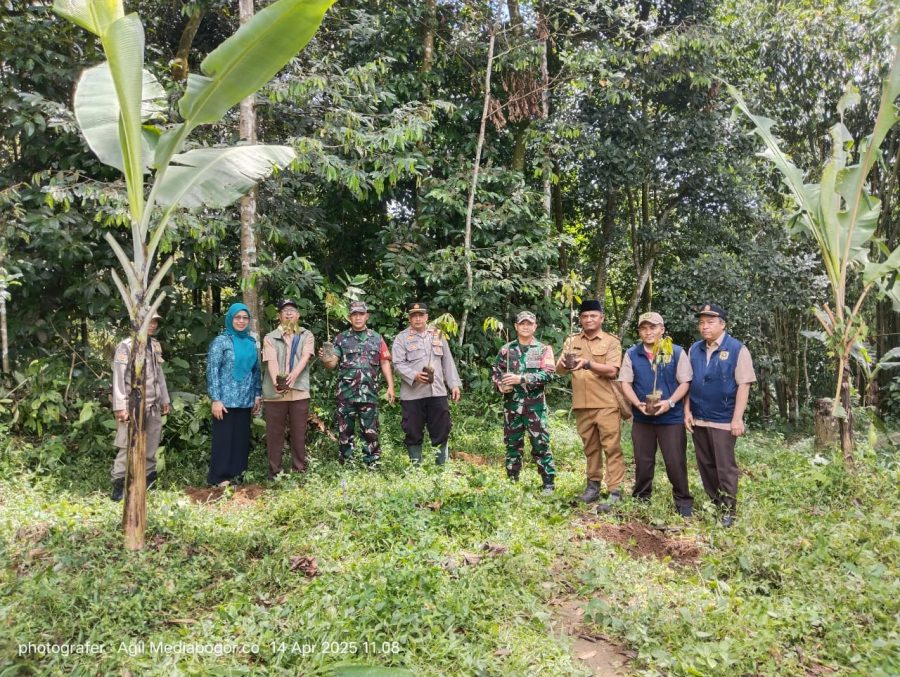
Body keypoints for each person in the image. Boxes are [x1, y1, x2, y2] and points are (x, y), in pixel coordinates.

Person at [684, 303, 756, 527]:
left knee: (724, 465)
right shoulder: (694, 349)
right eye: (701, 323)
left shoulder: (737, 349)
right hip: (699, 416)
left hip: (724, 418)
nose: (704, 327)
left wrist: (737, 419)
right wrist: (686, 410)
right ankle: (715, 503)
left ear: (722, 325)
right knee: (705, 463)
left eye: (710, 322)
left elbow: (744, 385)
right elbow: (688, 382)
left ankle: (728, 509)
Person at [619, 312, 693, 517]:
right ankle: (641, 497)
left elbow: (685, 381)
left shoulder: (676, 352)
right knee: (643, 460)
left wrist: (670, 403)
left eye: (653, 327)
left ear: (662, 329)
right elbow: (625, 382)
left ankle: (683, 501)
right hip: (643, 418)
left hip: (671, 418)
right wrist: (636, 403)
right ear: (639, 331)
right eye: (644, 328)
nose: (648, 332)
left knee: (675, 460)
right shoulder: (632, 353)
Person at [556, 299, 623, 510]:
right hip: (582, 404)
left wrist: (586, 363)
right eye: (585, 316)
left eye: (593, 315)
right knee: (590, 448)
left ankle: (615, 490)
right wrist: (563, 362)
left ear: (601, 318)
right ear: (581, 319)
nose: (589, 319)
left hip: (606, 404)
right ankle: (593, 486)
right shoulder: (572, 340)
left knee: (611, 447)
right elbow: (559, 371)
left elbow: (613, 370)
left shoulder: (611, 341)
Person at [320, 301, 395, 467]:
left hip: (369, 393)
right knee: (345, 432)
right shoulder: (341, 338)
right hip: (346, 394)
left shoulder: (377, 338)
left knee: (371, 431)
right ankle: (347, 464)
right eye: (354, 314)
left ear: (367, 316)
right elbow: (332, 365)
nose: (358, 317)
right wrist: (326, 358)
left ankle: (372, 463)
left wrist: (391, 386)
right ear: (349, 317)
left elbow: (384, 362)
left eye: (361, 314)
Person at [491, 310, 557, 494]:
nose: (526, 326)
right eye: (522, 323)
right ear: (516, 326)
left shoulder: (543, 349)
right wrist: (500, 385)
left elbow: (549, 374)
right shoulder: (506, 350)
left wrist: (521, 379)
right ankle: (512, 481)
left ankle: (548, 483)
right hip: (512, 406)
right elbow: (496, 372)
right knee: (512, 444)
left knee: (540, 444)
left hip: (534, 407)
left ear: (535, 326)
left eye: (529, 323)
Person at [110, 312, 171, 501]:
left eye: (155, 322)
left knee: (152, 444)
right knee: (127, 445)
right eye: (149, 322)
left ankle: (148, 481)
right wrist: (120, 406)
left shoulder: (154, 345)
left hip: (153, 404)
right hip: (133, 405)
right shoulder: (126, 346)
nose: (152, 325)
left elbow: (159, 375)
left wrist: (165, 399)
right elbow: (118, 378)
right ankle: (119, 485)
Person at [391, 302, 462, 465]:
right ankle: (415, 468)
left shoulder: (437, 334)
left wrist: (454, 385)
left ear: (426, 317)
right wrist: (414, 375)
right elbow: (398, 364)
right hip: (412, 394)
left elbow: (447, 362)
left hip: (437, 392)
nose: (417, 319)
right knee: (412, 430)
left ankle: (441, 466)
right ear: (409, 318)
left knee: (442, 428)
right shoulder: (401, 338)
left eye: (420, 315)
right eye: (414, 316)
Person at [207, 303, 261, 486]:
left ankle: (237, 475)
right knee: (224, 440)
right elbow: (212, 371)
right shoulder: (221, 341)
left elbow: (256, 371)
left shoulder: (251, 343)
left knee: (240, 440)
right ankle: (220, 477)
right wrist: (216, 399)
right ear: (230, 318)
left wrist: (257, 395)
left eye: (245, 318)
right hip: (225, 401)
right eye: (237, 317)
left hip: (245, 399)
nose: (241, 321)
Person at [261, 298, 314, 479]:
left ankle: (299, 469)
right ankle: (274, 472)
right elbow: (271, 360)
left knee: (299, 432)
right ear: (279, 316)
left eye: (292, 310)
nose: (289, 313)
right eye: (285, 310)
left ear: (298, 315)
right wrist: (278, 380)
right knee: (274, 434)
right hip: (275, 394)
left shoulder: (306, 335)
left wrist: (293, 376)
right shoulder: (269, 337)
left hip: (299, 392)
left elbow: (306, 356)